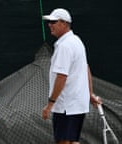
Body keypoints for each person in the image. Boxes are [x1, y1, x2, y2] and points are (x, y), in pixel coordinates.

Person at [41, 8, 101, 144]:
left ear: (64, 23)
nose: (50, 24)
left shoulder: (65, 46)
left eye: (53, 22)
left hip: (65, 106)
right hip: (76, 105)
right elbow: (85, 68)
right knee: (73, 141)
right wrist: (90, 94)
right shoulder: (76, 41)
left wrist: (50, 104)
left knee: (63, 141)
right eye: (49, 22)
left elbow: (62, 77)